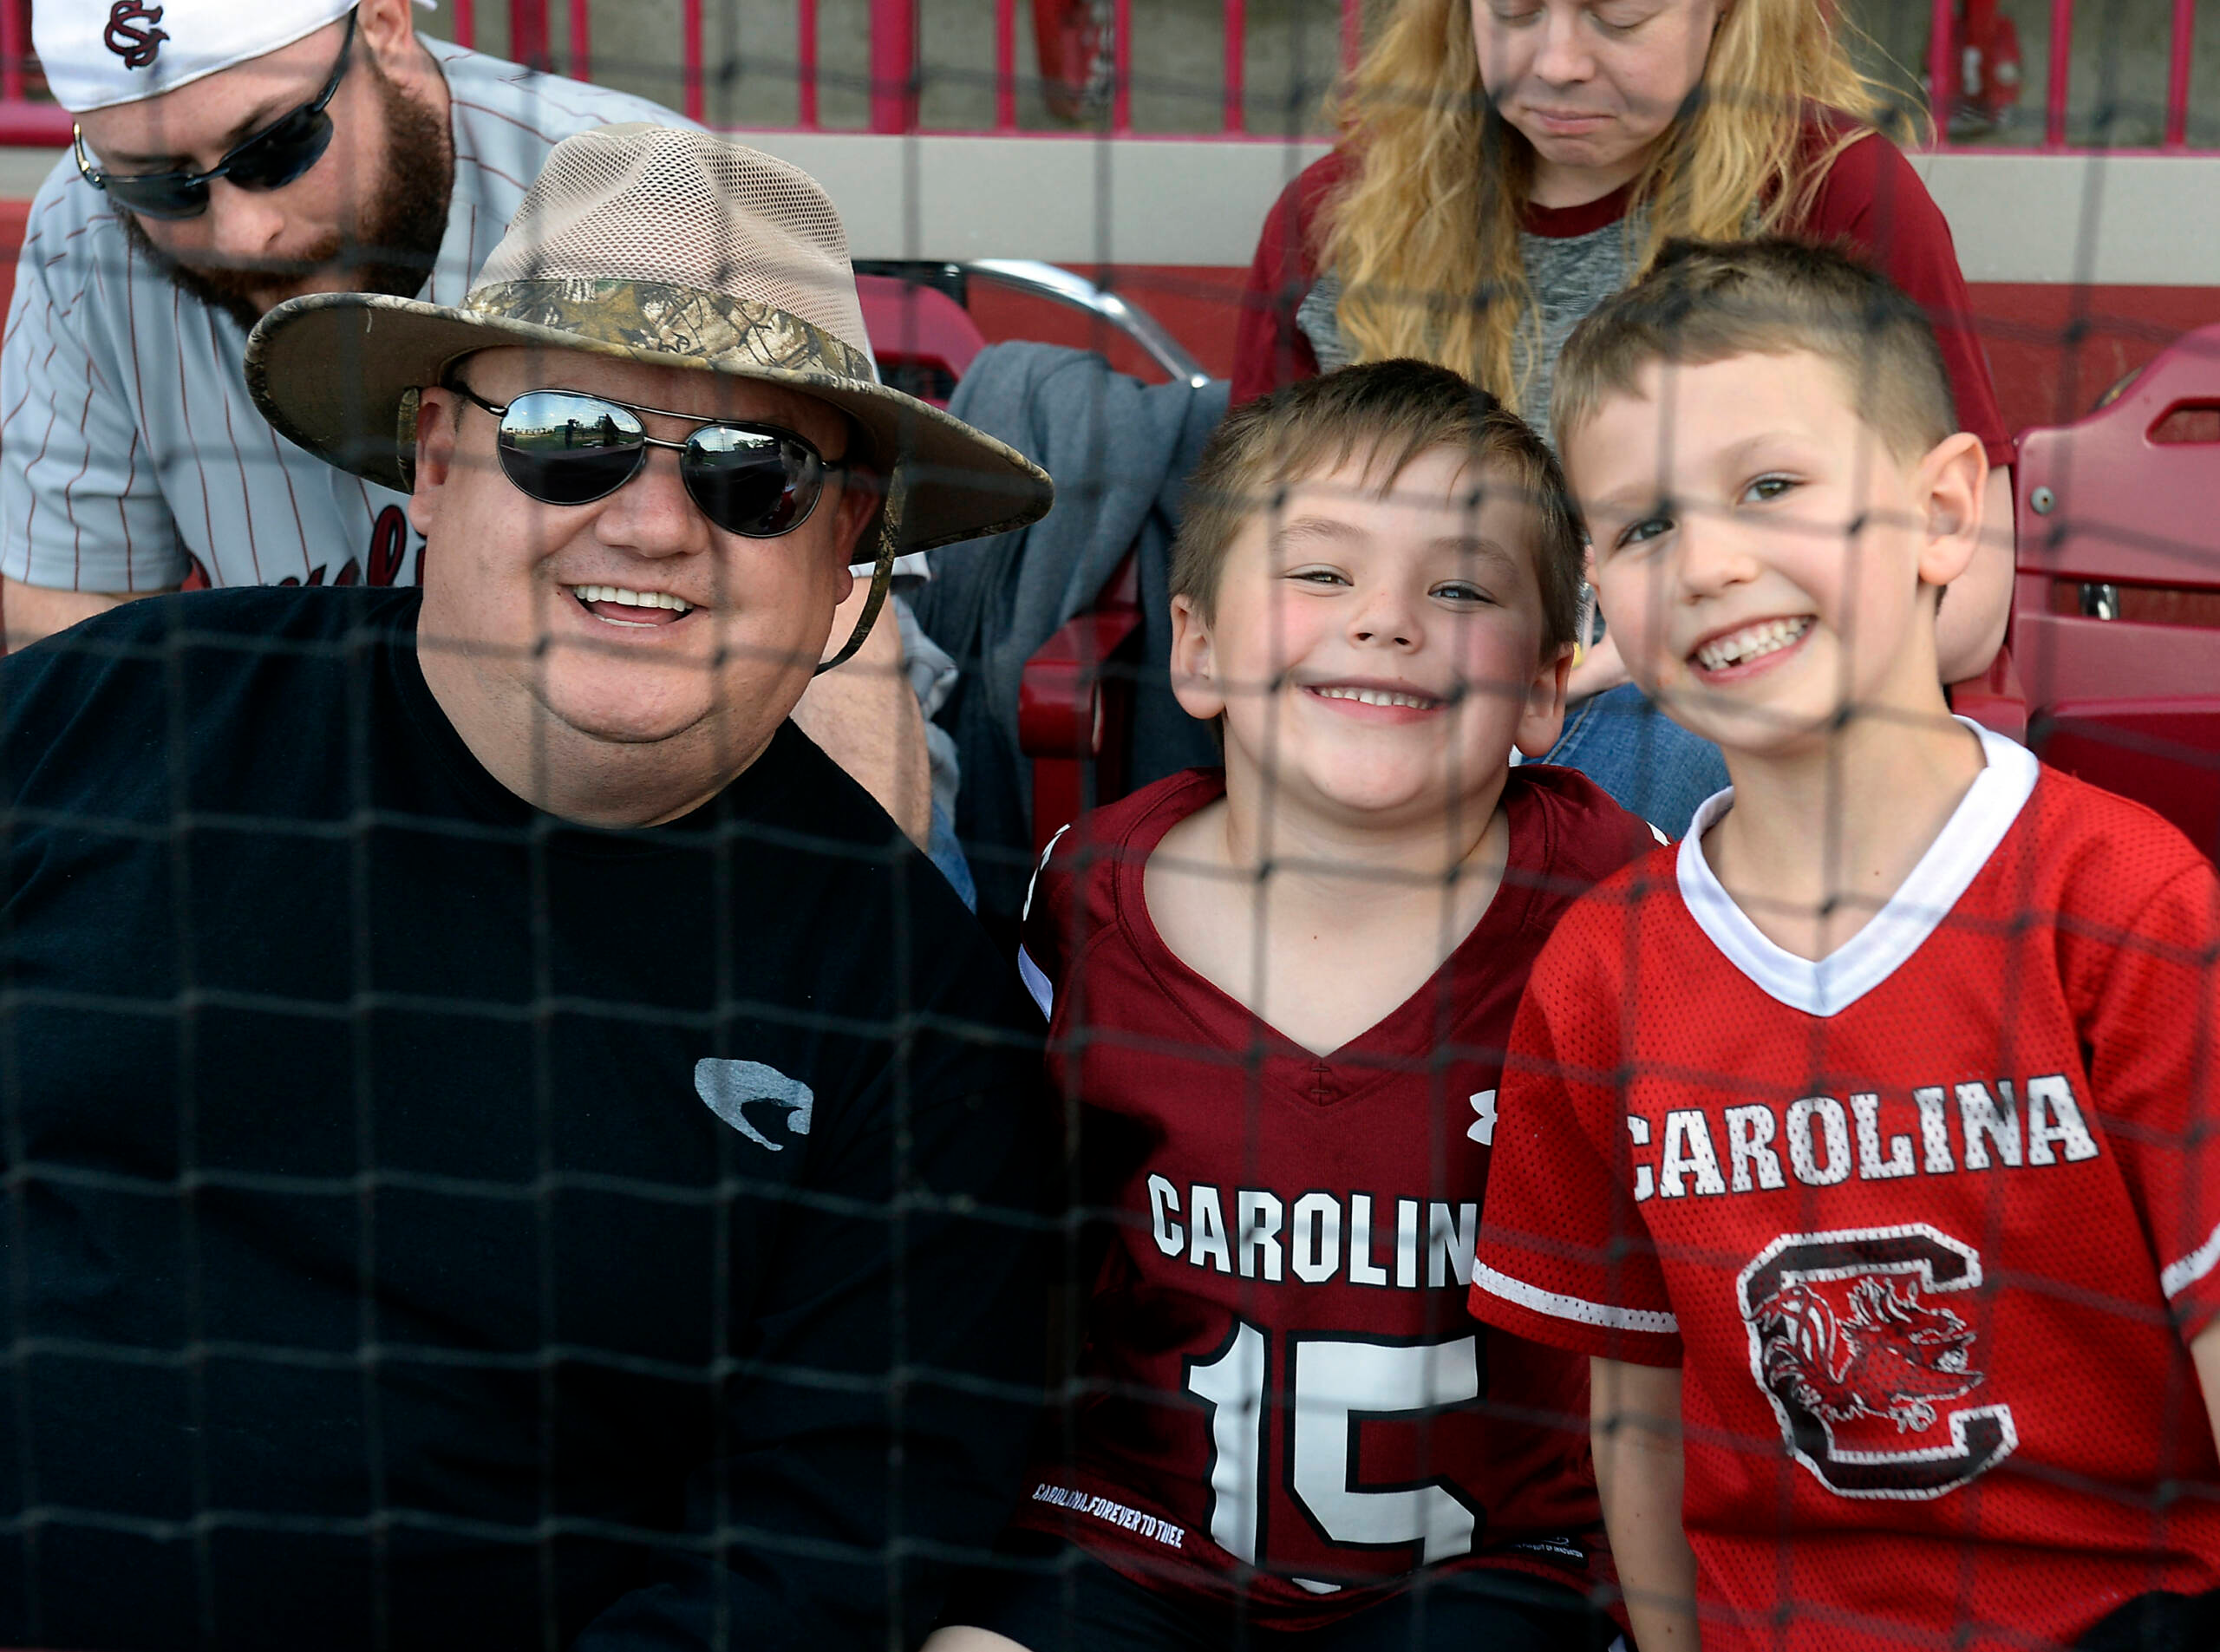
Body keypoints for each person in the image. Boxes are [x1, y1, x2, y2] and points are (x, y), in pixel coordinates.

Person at [0, 124, 1057, 1649]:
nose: (649, 519)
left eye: (754, 473)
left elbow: (823, 1554)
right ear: (436, 460)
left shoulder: (906, 1014)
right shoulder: (102, 721)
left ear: (846, 549)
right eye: (572, 432)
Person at [1466, 239, 2220, 1651]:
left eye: (1769, 488)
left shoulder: (2125, 905)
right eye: (1637, 530)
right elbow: (1635, 1409)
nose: (1707, 564)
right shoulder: (1602, 972)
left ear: (1944, 514)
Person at [925, 361, 1659, 1652]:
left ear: (1546, 685)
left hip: (1499, 1559)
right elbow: (1015, 1253)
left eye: (1462, 587)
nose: (1387, 619)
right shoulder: (1092, 896)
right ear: (1197, 650)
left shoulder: (1622, 914)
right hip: (1132, 1533)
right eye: (1322, 572)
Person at [3, 0, 940, 851]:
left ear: (384, 27)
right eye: (162, 188)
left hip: (717, 784)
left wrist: (868, 921)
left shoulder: (641, 189)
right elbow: (71, 632)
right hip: (329, 786)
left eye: (278, 146)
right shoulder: (84, 239)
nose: (244, 233)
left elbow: (830, 624)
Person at [1231, 0, 2016, 835]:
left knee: (1667, 740)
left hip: (1697, 691)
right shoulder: (1340, 216)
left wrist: (1654, 651)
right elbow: (1242, 568)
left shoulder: (1835, 191)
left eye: (1623, 17)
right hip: (1408, 683)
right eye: (1516, 12)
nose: (1559, 60)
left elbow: (1966, 603)